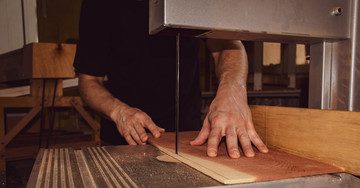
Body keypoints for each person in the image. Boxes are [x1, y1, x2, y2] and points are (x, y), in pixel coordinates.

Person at [74, 0, 268, 159]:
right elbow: (89, 82)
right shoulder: (99, 4)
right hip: (123, 142)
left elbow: (229, 45)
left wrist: (231, 88)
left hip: (191, 139)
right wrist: (119, 111)